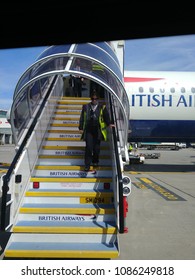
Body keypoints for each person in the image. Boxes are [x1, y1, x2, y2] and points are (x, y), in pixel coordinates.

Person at [79, 90, 115, 171]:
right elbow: (82, 118)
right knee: (88, 147)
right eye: (92, 99)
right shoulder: (86, 107)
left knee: (96, 148)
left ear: (98, 99)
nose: (94, 100)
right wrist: (81, 127)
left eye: (96, 99)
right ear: (90, 99)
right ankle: (87, 165)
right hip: (89, 129)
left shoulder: (102, 107)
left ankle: (95, 161)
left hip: (98, 130)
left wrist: (109, 124)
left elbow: (106, 116)